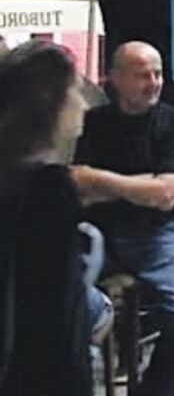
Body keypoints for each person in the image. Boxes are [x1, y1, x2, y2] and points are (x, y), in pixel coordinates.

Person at [71, 41, 174, 396]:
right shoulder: (92, 123)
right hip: (94, 234)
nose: (154, 82)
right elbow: (76, 187)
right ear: (115, 79)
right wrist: (145, 185)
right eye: (143, 75)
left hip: (156, 236)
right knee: (56, 306)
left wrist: (98, 179)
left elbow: (167, 195)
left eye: (157, 74)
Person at [0, 42, 93, 396]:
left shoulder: (14, 174)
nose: (83, 104)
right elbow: (56, 311)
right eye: (74, 91)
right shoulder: (48, 187)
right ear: (48, 99)